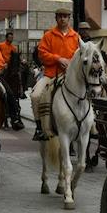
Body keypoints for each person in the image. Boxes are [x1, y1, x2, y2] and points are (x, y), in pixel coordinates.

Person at [30, 8, 81, 141]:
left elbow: (81, 55)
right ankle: (39, 128)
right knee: (35, 96)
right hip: (50, 75)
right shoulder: (48, 35)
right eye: (60, 16)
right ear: (56, 18)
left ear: (69, 18)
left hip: (71, 76)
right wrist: (58, 59)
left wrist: (71, 62)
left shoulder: (76, 36)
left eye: (65, 16)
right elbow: (42, 54)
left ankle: (90, 126)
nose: (62, 19)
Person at [0, 30, 25, 130]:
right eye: (9, 37)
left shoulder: (14, 48)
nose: (11, 39)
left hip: (12, 67)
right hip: (3, 67)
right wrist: (3, 64)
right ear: (6, 37)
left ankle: (21, 90)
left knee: (20, 74)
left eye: (12, 38)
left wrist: (22, 61)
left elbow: (16, 58)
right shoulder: (0, 45)